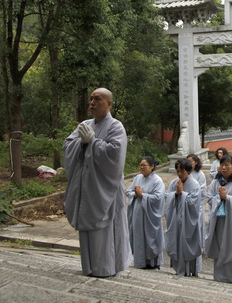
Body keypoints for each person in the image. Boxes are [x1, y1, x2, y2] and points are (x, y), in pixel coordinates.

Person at [63, 87, 131, 278]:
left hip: (105, 189)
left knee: (105, 230)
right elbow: (69, 145)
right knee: (87, 229)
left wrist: (92, 141)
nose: (92, 103)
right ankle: (89, 267)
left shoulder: (116, 127)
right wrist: (82, 142)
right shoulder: (85, 124)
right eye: (91, 99)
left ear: (108, 104)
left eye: (97, 99)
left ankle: (105, 268)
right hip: (87, 188)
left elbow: (114, 155)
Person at [205, 155, 232, 283]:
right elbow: (209, 198)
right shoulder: (215, 182)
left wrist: (227, 198)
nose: (224, 168)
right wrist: (218, 198)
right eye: (221, 165)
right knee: (219, 248)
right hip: (219, 222)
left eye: (227, 165)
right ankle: (219, 277)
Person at [126, 156, 165, 269]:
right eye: (141, 165)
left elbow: (158, 198)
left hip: (149, 216)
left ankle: (152, 263)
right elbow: (128, 191)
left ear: (152, 167)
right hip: (138, 214)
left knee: (149, 238)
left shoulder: (157, 180)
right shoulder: (138, 178)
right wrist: (135, 194)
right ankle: (139, 261)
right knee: (138, 237)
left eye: (144, 165)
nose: (142, 167)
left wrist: (143, 195)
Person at [165, 159, 202, 276]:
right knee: (176, 243)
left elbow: (194, 203)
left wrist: (182, 193)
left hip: (188, 222)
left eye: (182, 171)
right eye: (178, 171)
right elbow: (167, 197)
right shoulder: (173, 183)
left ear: (188, 171)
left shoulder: (195, 185)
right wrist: (175, 194)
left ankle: (190, 270)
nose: (179, 174)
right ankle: (178, 269)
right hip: (176, 221)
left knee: (187, 244)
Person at [187, 153, 207, 258]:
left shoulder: (200, 175)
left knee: (198, 225)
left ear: (196, 162)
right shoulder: (186, 173)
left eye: (191, 161)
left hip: (197, 205)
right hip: (186, 205)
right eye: (188, 161)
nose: (190, 164)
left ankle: (200, 246)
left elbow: (202, 190)